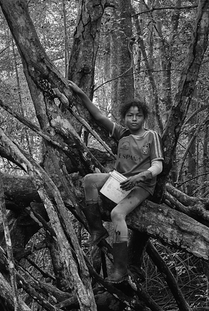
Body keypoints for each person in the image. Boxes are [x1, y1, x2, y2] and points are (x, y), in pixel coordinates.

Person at [68, 82, 164, 282]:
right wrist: (80, 93)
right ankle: (96, 229)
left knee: (117, 214)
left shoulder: (151, 136)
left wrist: (140, 177)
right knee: (88, 181)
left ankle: (120, 268)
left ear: (144, 117)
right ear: (125, 118)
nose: (134, 118)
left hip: (142, 185)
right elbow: (99, 116)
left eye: (138, 115)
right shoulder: (123, 133)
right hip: (119, 180)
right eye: (130, 115)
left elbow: (158, 166)